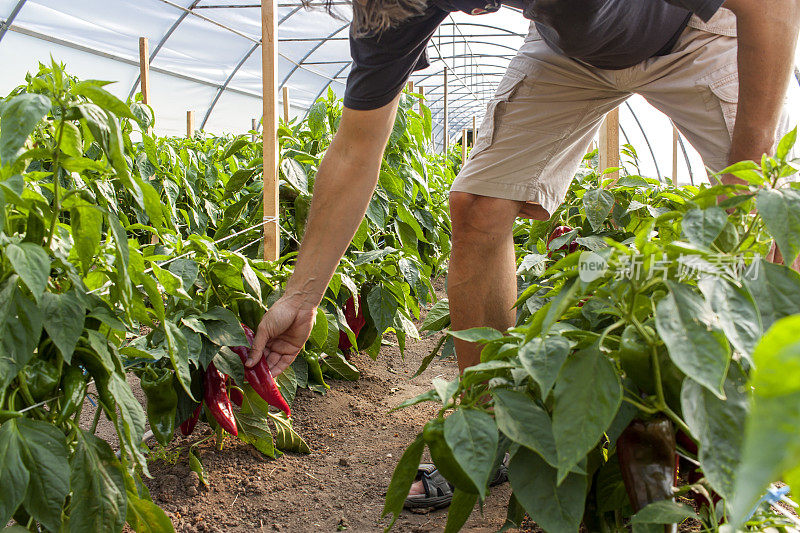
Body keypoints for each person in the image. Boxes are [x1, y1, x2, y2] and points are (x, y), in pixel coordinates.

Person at [246, 0, 800, 508]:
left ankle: (772, 442)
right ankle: (491, 431)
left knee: (781, 217)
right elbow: (355, 146)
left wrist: (742, 182)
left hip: (701, 32)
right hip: (572, 51)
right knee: (478, 204)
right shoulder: (393, 7)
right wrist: (302, 295)